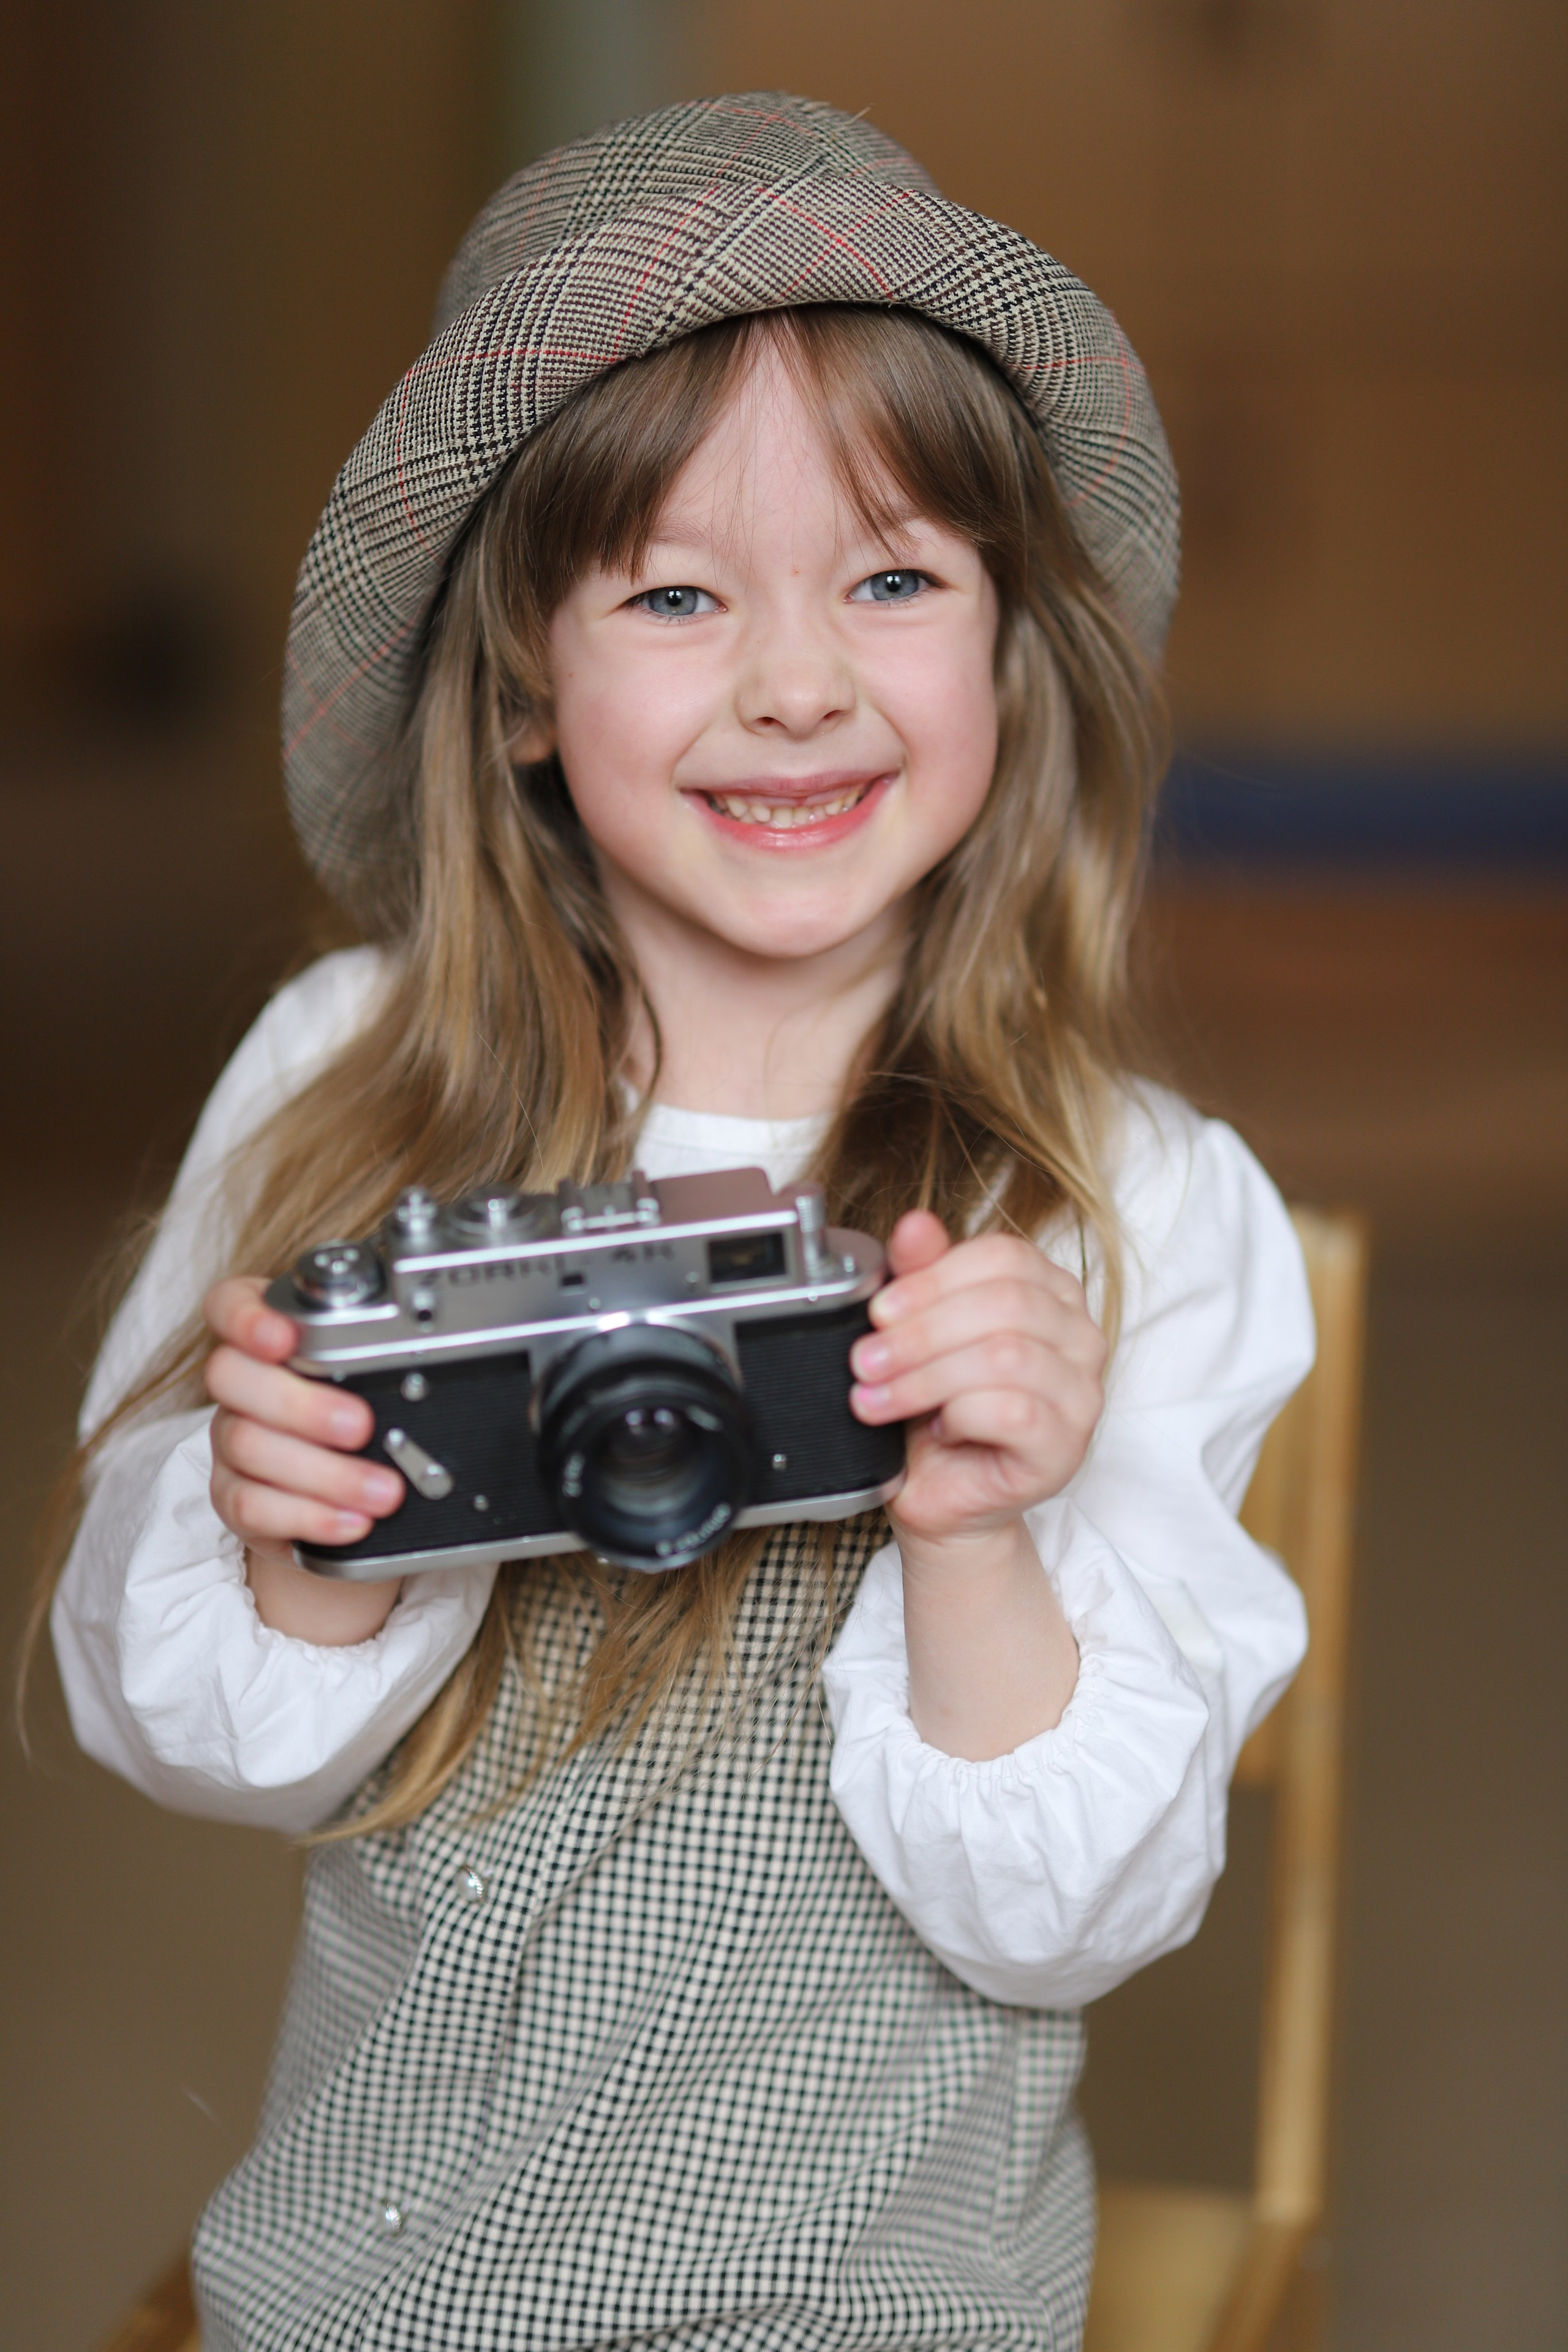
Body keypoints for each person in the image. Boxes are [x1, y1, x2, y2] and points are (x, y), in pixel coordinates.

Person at [47, 96, 1313, 2349]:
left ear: (1011, 654)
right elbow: (202, 1742)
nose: (798, 680)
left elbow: (1072, 1916)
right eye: (675, 592)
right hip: (374, 2289)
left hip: (884, 2300)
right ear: (525, 680)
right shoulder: (348, 1082)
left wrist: (976, 1537)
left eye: (896, 576)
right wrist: (298, 1545)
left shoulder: (1124, 1202)